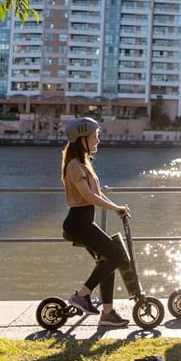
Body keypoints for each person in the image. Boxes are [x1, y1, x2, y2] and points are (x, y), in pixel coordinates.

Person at [61, 116, 131, 327]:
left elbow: (98, 193)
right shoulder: (74, 165)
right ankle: (82, 295)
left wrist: (117, 208)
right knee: (117, 256)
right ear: (82, 138)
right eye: (94, 137)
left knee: (107, 260)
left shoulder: (85, 163)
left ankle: (107, 313)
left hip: (84, 222)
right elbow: (89, 197)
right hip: (78, 223)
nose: (97, 141)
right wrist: (115, 208)